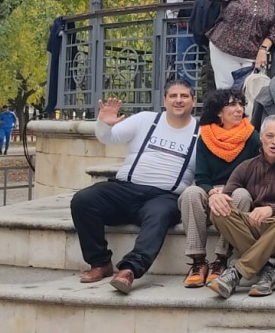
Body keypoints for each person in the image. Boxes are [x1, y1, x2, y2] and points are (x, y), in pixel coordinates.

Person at [69, 80, 199, 294]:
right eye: (173, 95)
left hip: (164, 197)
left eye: (184, 96)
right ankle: (100, 263)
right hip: (126, 189)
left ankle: (129, 270)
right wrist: (105, 124)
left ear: (193, 101)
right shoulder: (146, 120)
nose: (178, 100)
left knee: (159, 216)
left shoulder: (201, 132)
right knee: (84, 200)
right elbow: (107, 138)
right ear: (164, 100)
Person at [207, 115, 275, 298]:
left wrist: (271, 209)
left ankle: (237, 272)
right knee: (219, 212)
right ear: (261, 137)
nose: (274, 142)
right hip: (255, 227)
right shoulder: (246, 166)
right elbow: (225, 195)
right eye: (270, 136)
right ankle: (268, 271)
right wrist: (214, 198)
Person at [178, 88, 260, 288]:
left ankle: (221, 260)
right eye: (232, 105)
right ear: (219, 112)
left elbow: (253, 175)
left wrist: (227, 191)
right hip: (210, 193)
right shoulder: (206, 135)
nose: (238, 109)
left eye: (241, 104)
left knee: (241, 195)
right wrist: (212, 192)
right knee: (190, 193)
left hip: (236, 192)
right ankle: (198, 262)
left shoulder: (251, 135)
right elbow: (201, 177)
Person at [166, 0, 203, 86]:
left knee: (185, 66)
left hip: (185, 29)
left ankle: (188, 98)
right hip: (173, 29)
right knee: (174, 66)